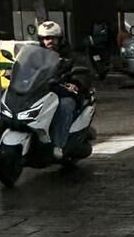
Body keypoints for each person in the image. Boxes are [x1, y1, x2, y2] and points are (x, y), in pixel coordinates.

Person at [36, 21, 94, 158]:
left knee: (65, 105)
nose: (49, 41)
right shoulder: (36, 55)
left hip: (63, 92)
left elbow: (82, 71)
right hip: (42, 91)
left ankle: (58, 145)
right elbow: (26, 68)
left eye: (53, 38)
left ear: (60, 39)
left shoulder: (71, 55)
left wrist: (75, 81)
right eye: (45, 38)